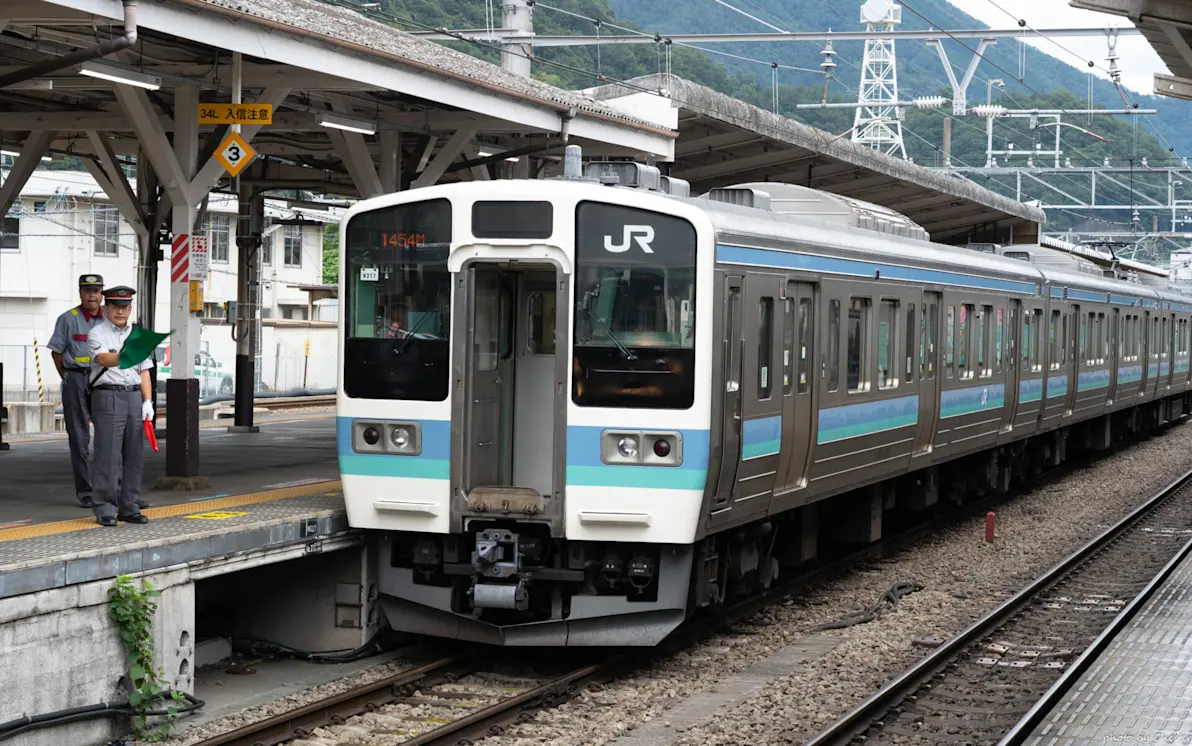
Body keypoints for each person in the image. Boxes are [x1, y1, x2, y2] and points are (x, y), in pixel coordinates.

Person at [87, 286, 153, 527]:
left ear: (130, 309)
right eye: (115, 306)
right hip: (108, 396)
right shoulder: (97, 333)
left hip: (133, 396)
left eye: (125, 307)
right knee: (109, 455)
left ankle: (130, 506)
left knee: (134, 454)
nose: (120, 311)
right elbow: (103, 359)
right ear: (106, 308)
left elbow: (144, 371)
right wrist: (128, 354)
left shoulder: (138, 334)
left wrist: (147, 401)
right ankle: (105, 507)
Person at [47, 274, 104, 508]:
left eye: (97, 291)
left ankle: (113, 489)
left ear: (102, 294)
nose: (92, 295)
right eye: (87, 290)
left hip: (102, 381)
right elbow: (56, 353)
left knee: (111, 436)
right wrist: (69, 378)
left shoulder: (109, 319)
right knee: (80, 439)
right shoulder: (67, 319)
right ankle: (86, 492)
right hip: (76, 380)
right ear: (80, 293)